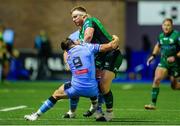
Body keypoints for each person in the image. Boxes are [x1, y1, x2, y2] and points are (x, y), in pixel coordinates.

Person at [24, 35, 119, 121]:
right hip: (92, 91)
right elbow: (110, 46)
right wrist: (116, 39)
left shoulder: (68, 57)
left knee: (56, 95)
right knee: (99, 82)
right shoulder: (87, 47)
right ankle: (96, 107)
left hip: (76, 89)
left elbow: (68, 66)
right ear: (73, 42)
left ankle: (36, 115)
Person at [64, 6, 123, 121]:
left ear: (84, 16)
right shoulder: (79, 33)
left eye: (76, 16)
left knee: (103, 84)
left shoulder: (89, 21)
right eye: (72, 17)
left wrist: (80, 46)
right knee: (91, 83)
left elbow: (88, 37)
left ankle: (109, 113)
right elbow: (67, 49)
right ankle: (95, 109)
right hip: (100, 57)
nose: (73, 19)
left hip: (112, 54)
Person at [144, 18, 180, 110]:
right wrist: (153, 55)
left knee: (174, 86)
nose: (166, 27)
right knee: (156, 79)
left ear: (171, 26)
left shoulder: (176, 36)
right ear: (162, 26)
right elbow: (158, 45)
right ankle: (152, 103)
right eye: (165, 25)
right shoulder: (160, 36)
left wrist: (175, 57)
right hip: (164, 62)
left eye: (168, 25)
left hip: (176, 64)